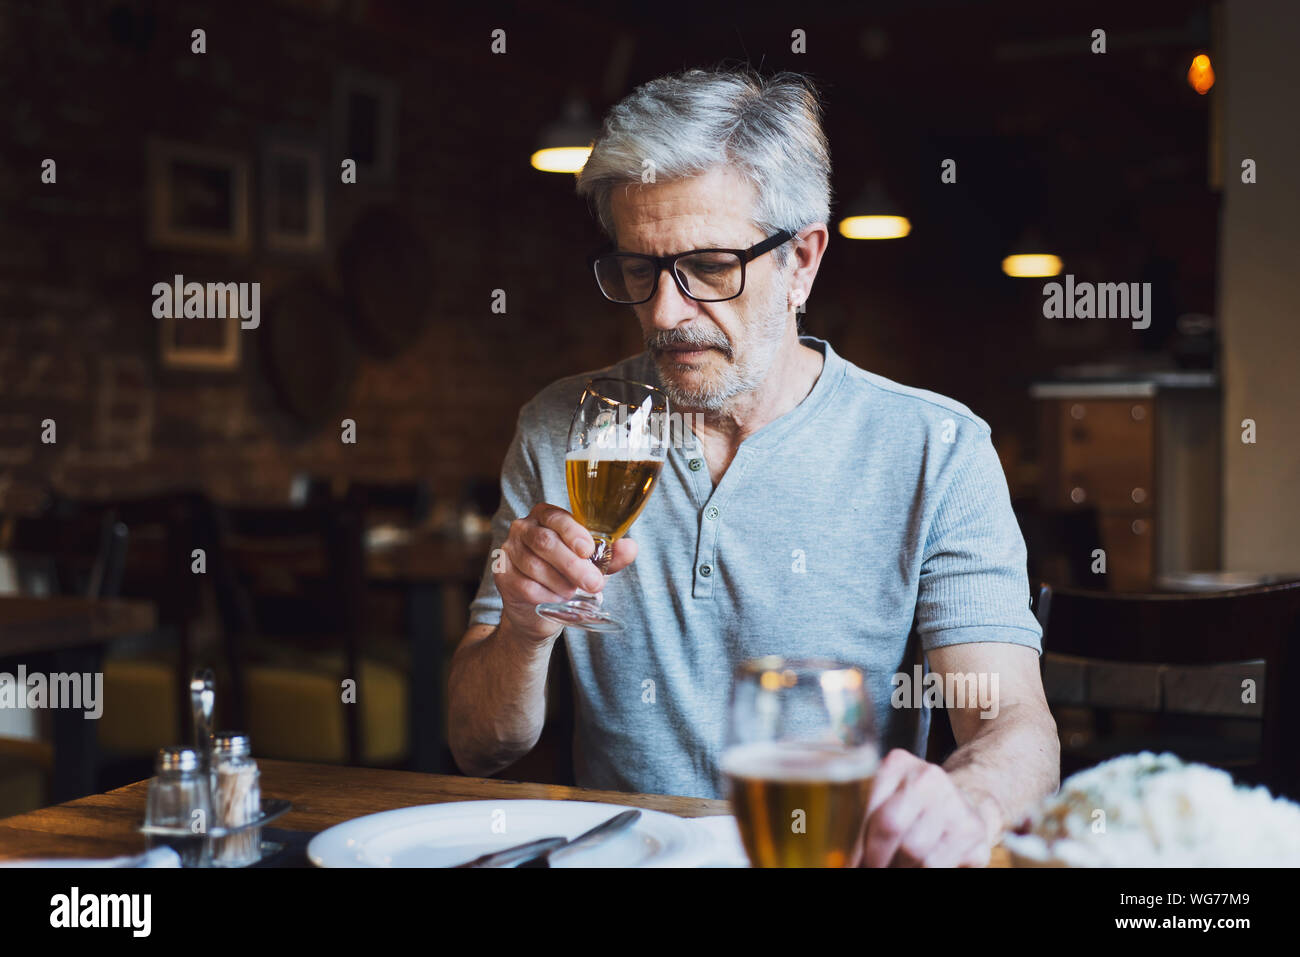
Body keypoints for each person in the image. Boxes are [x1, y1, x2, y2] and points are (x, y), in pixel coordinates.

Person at [448, 67, 1059, 867]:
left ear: (802, 260)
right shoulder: (562, 427)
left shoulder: (936, 449)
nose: (665, 313)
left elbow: (1014, 723)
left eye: (707, 267)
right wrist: (524, 635)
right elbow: (476, 745)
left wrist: (969, 798)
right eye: (640, 269)